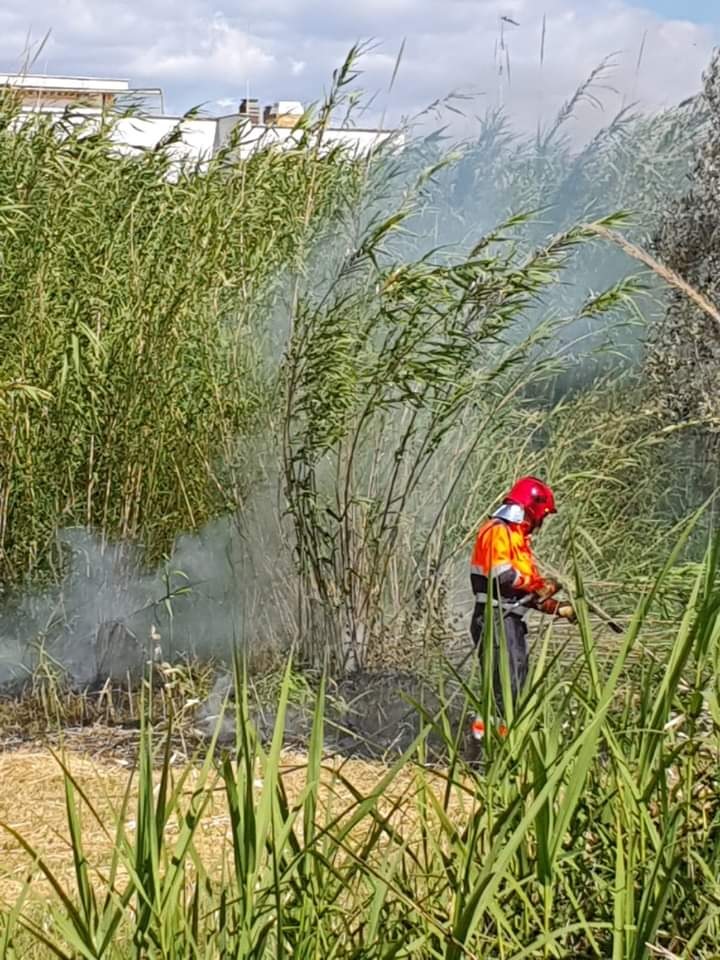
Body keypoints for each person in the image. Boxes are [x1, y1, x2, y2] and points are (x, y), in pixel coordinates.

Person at [469, 476, 575, 740]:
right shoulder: (497, 531)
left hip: (509, 620)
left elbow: (526, 594)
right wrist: (539, 585)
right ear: (533, 509)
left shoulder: (518, 541)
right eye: (543, 516)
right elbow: (503, 577)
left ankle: (498, 742)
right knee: (502, 686)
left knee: (513, 684)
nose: (542, 523)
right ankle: (482, 748)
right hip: (495, 618)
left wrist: (558, 608)